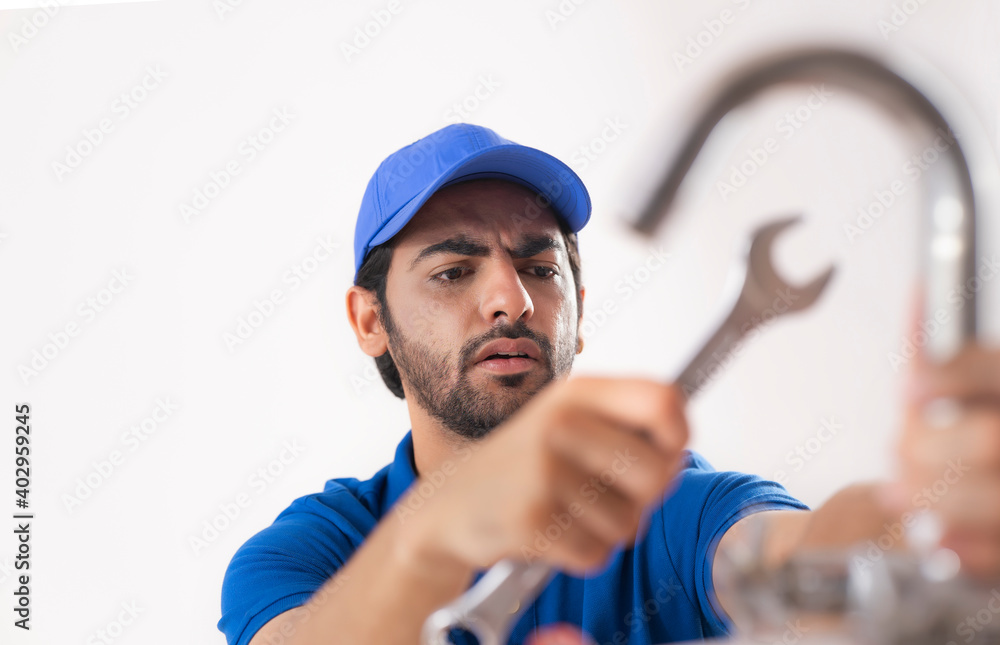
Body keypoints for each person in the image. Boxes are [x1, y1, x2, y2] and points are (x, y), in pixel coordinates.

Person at [218, 123, 1000, 645]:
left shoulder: (673, 513)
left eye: (537, 268)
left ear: (578, 310)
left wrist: (934, 527)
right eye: (455, 270)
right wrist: (439, 529)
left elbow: (795, 559)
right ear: (368, 321)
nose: (511, 299)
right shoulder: (309, 552)